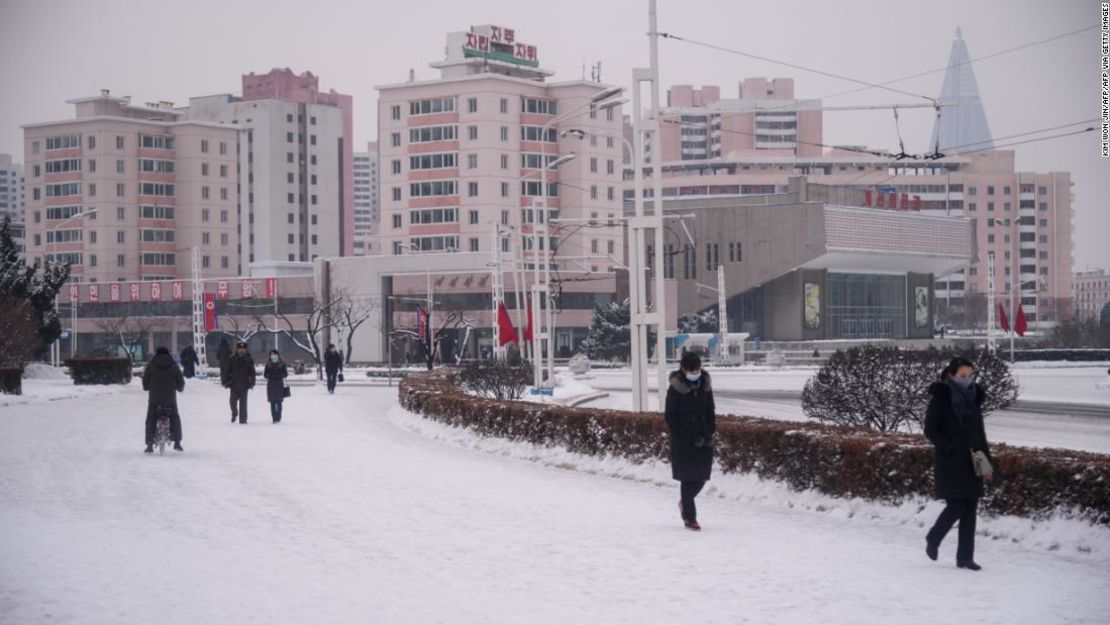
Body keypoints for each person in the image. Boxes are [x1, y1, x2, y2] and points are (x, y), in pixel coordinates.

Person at [924, 356, 993, 571]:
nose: (967, 380)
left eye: (970, 376)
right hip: (951, 461)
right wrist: (949, 448)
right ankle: (933, 538)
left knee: (970, 508)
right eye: (963, 376)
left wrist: (986, 463)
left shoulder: (973, 398)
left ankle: (965, 557)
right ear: (951, 375)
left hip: (974, 459)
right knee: (957, 505)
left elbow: (980, 433)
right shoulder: (941, 397)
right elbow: (930, 429)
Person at [665, 351, 716, 531]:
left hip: (704, 438)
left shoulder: (705, 385)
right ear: (684, 369)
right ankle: (690, 517)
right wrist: (683, 435)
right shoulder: (675, 388)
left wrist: (710, 431)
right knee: (688, 479)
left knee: (701, 477)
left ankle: (684, 504)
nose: (695, 373)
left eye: (697, 369)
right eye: (692, 370)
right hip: (684, 441)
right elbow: (670, 416)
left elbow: (710, 409)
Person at [142, 346, 185, 453]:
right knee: (174, 417)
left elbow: (145, 385)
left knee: (151, 418)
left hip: (154, 400)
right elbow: (181, 384)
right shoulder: (174, 366)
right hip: (170, 399)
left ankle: (150, 444)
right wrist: (179, 388)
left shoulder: (151, 366)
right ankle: (177, 443)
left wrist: (148, 387)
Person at [222, 341, 256, 424]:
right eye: (240, 349)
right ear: (237, 349)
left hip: (245, 384)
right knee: (232, 402)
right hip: (234, 384)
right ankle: (234, 412)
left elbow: (252, 372)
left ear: (246, 350)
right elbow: (226, 371)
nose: (241, 350)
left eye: (243, 349)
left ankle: (243, 420)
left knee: (243, 404)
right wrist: (225, 381)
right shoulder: (232, 359)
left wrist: (252, 382)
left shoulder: (249, 359)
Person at [263, 349, 289, 424]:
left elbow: (285, 374)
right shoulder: (268, 364)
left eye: (274, 355)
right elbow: (265, 374)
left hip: (279, 385)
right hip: (271, 385)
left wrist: (278, 376)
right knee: (272, 403)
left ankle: (279, 416)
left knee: (279, 402)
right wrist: (270, 376)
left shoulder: (282, 363)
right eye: (272, 355)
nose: (273, 356)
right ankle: (274, 418)